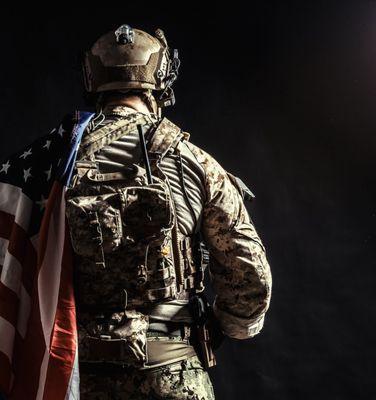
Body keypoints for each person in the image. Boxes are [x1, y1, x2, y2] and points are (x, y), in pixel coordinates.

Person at [0, 25, 271, 400]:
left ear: (92, 78)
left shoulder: (52, 161)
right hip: (172, 376)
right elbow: (252, 282)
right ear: (160, 78)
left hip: (71, 380)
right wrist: (224, 327)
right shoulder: (196, 164)